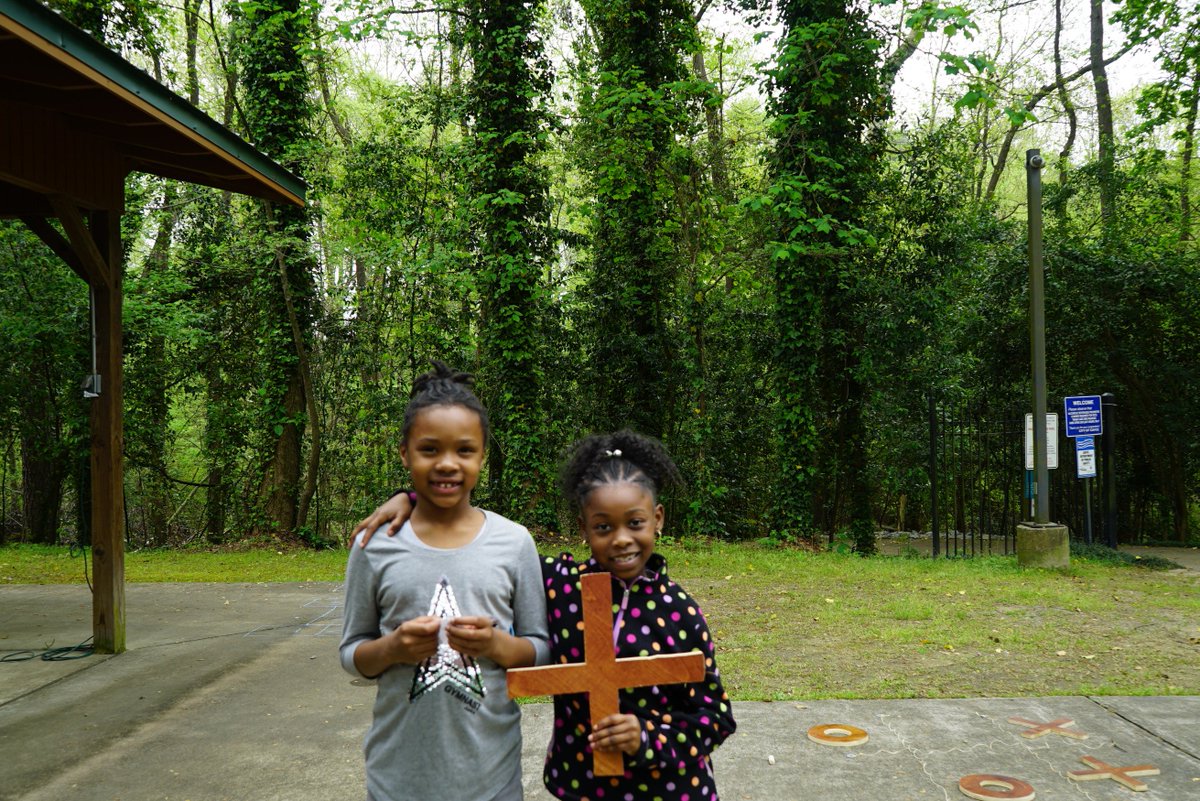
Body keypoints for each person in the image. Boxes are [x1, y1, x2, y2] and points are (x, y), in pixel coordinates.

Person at [355, 429, 736, 801]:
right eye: (604, 526)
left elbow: (716, 715)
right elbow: (492, 554)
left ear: (658, 518)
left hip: (669, 789)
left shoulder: (680, 612)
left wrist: (647, 737)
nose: (621, 538)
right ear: (584, 528)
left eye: (635, 523)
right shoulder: (561, 585)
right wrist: (410, 499)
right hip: (582, 787)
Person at [340, 361, 550, 801]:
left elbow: (539, 649)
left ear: (483, 455)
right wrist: (392, 649)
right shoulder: (373, 545)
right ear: (404, 453)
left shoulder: (514, 543)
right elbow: (351, 653)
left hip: (491, 779)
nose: (447, 464)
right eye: (430, 449)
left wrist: (496, 646)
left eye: (465, 450)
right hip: (397, 779)